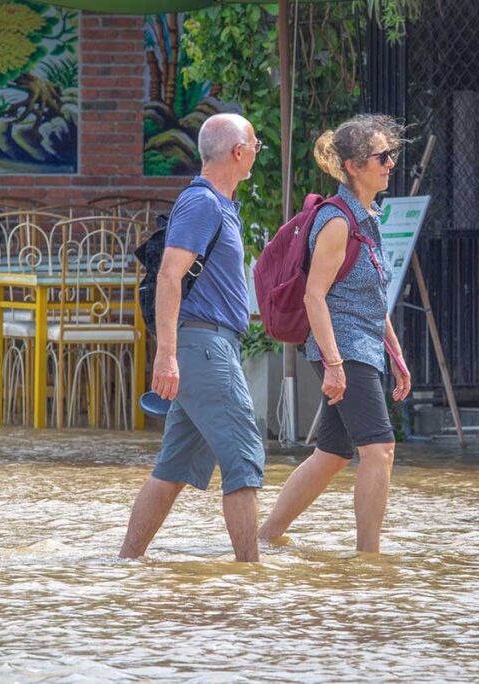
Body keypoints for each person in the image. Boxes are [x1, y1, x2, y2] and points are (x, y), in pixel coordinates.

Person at [258, 114, 412, 553]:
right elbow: (314, 297)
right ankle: (369, 558)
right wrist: (333, 364)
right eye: (382, 156)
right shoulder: (338, 221)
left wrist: (396, 357)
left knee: (333, 453)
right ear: (352, 165)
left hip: (362, 346)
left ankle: (265, 536)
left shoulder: (367, 218)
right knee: (380, 449)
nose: (390, 164)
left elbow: (371, 300)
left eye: (391, 154)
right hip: (342, 348)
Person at [120, 113, 265, 563]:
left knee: (173, 468)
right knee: (244, 461)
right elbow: (169, 276)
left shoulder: (218, 205)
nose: (258, 151)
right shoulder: (202, 203)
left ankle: (126, 564)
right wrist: (166, 356)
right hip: (203, 349)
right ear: (238, 152)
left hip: (207, 345)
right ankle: (252, 574)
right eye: (255, 143)